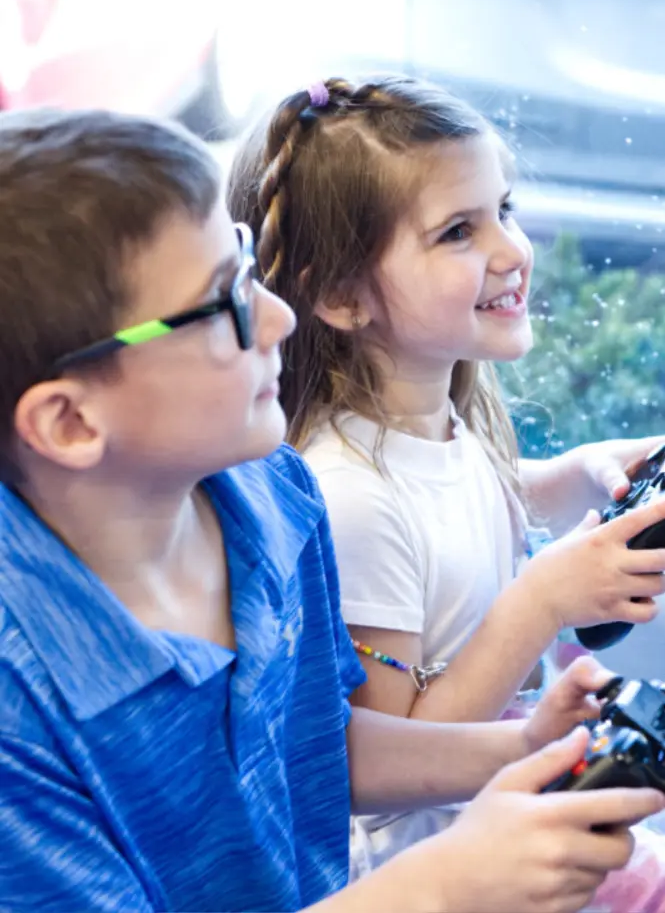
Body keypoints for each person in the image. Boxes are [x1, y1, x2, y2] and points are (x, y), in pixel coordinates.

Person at [0, 107, 660, 913]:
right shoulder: (17, 716)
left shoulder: (272, 498)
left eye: (245, 266)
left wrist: (516, 746)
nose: (278, 313)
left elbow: (314, 746)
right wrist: (441, 888)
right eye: (223, 305)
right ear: (69, 423)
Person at [226, 75, 665, 908]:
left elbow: (470, 506)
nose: (510, 250)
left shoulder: (440, 420)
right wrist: (539, 602)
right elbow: (401, 749)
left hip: (504, 800)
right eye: (458, 231)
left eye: (505, 210)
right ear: (341, 296)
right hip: (449, 860)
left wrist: (579, 474)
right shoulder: (348, 499)